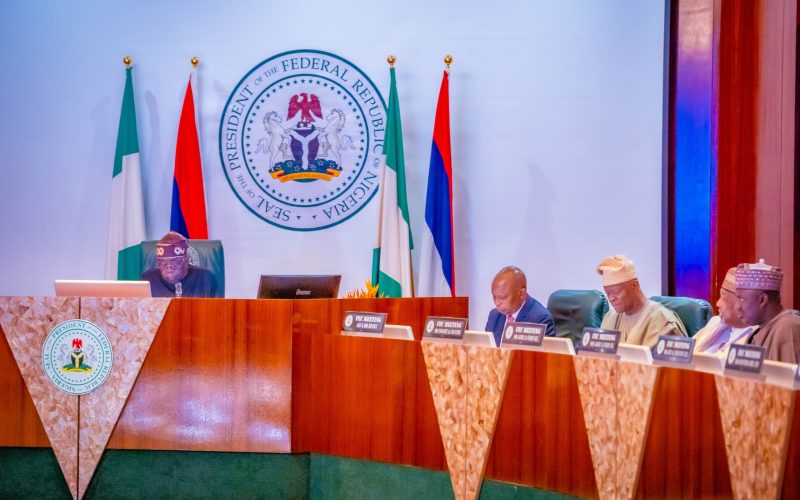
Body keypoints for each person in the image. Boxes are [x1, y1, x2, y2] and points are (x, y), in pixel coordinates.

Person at [597, 255, 687, 347]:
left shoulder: (663, 321)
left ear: (634, 286)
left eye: (616, 291)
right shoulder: (610, 318)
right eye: (608, 293)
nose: (611, 298)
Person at [736, 259, 800, 363]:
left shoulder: (789, 327)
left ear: (762, 299)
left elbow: (787, 373)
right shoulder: (758, 331)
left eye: (742, 299)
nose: (738, 307)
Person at [485, 266, 555, 347]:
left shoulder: (540, 318)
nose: (497, 302)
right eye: (494, 296)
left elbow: (541, 355)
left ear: (521, 294)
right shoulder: (494, 315)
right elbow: (487, 349)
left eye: (502, 297)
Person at [693, 267, 755, 355]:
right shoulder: (715, 322)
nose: (718, 304)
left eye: (724, 298)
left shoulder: (758, 337)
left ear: (743, 302)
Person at [141, 231, 218, 298]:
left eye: (174, 261)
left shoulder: (206, 280)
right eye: (163, 262)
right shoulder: (149, 280)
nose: (169, 267)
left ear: (186, 260)